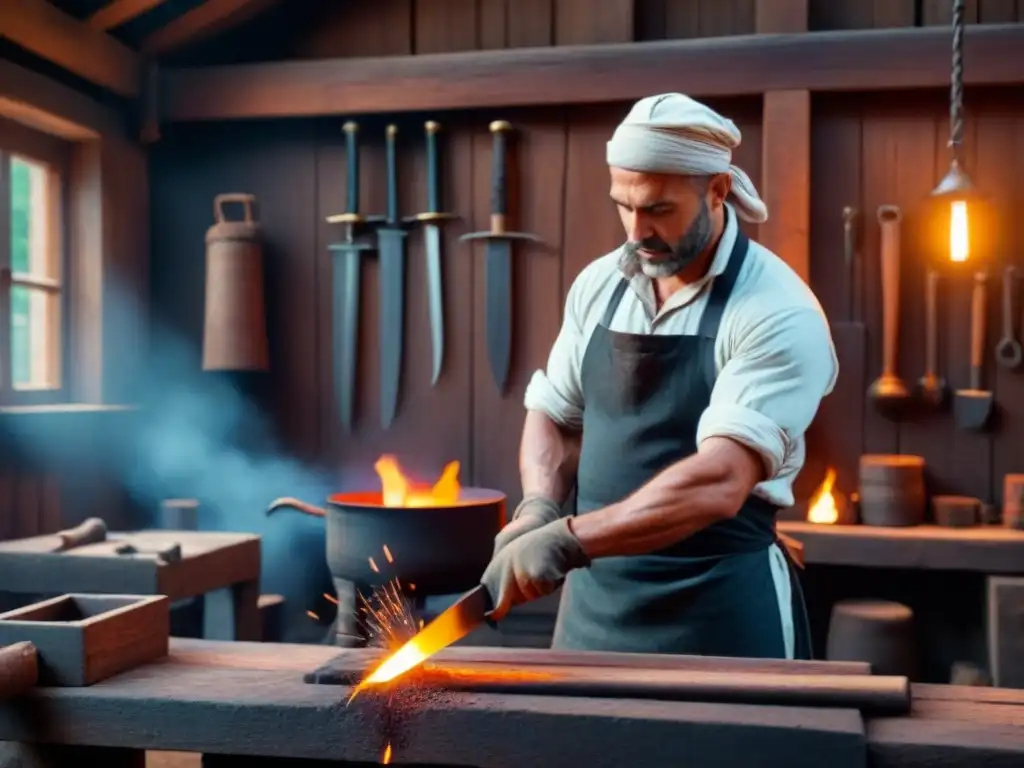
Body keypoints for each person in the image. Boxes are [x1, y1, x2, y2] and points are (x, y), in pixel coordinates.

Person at [479, 93, 838, 659]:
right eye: (624, 205)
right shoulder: (599, 285)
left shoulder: (776, 309)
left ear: (717, 191)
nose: (636, 230)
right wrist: (539, 509)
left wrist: (568, 539)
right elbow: (556, 413)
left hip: (720, 612)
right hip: (593, 611)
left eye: (659, 209)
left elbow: (721, 480)